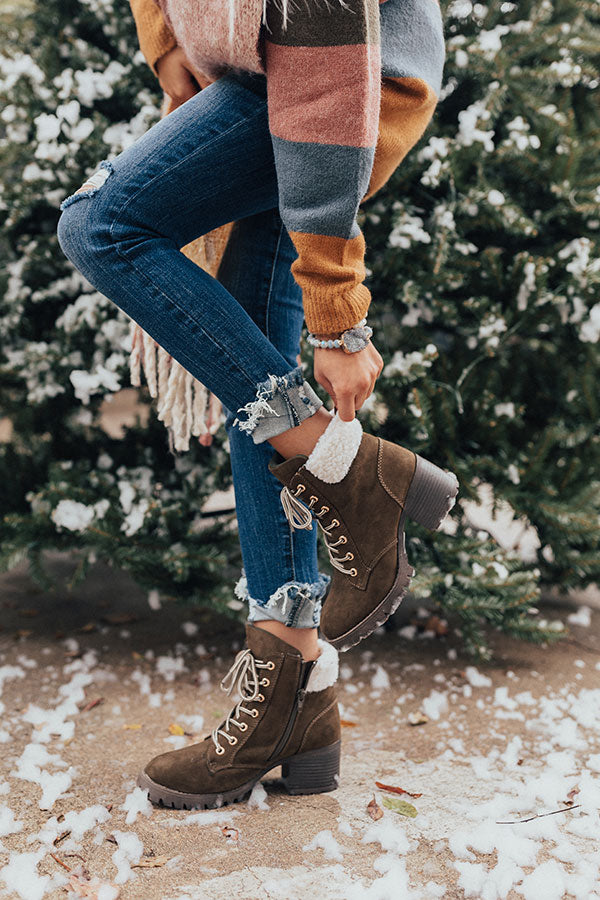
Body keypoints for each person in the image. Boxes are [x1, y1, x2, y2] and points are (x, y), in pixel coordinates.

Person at [57, 0, 452, 810]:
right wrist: (170, 45)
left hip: (339, 78)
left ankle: (345, 466)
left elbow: (327, 73)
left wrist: (338, 314)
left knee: (102, 224)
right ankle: (295, 689)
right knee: (252, 365)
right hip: (262, 65)